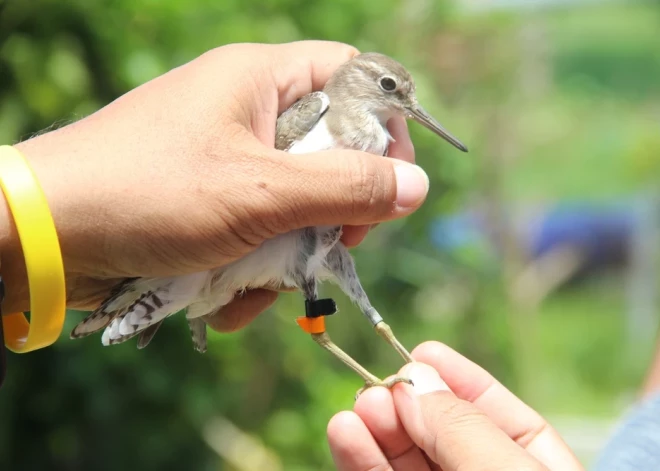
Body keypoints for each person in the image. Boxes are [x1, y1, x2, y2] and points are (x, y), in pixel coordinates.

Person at [0, 40, 650, 470]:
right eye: (395, 91)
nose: (409, 112)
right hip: (210, 266)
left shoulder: (376, 139)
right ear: (365, 83)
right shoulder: (314, 110)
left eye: (408, 100)